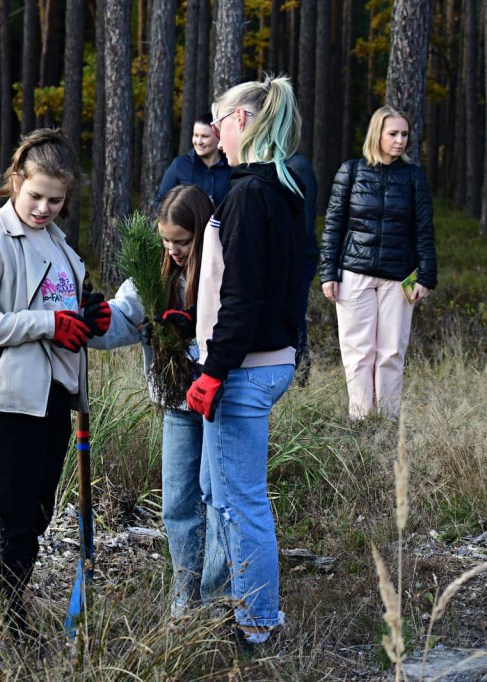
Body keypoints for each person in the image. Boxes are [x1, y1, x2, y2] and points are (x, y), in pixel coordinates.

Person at [0, 128, 110, 634]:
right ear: (15, 180)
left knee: (35, 516)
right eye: (35, 195)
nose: (43, 208)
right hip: (2, 399)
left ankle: (7, 609)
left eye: (56, 200)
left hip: (53, 396)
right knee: (7, 516)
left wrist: (90, 316)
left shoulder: (59, 243)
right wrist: (48, 324)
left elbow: (61, 308)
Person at [186, 74, 305, 644]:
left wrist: (214, 370)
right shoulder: (279, 188)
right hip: (261, 359)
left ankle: (257, 623)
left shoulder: (250, 195)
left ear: (241, 122)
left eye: (218, 121)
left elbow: (242, 296)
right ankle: (226, 600)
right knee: (218, 492)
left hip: (245, 368)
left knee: (241, 502)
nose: (213, 134)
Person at [87, 184, 228, 617]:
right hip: (178, 406)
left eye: (182, 242)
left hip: (221, 403)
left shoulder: (221, 270)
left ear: (202, 234)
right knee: (177, 503)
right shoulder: (153, 275)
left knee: (217, 500)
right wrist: (91, 319)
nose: (173, 249)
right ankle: (185, 600)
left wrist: (195, 339)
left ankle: (220, 598)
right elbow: (122, 317)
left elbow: (234, 328)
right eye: (167, 241)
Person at [319, 106, 436, 420]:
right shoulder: (351, 171)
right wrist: (328, 272)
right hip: (353, 275)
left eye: (404, 134)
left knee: (391, 352)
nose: (400, 141)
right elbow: (334, 224)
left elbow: (424, 229)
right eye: (393, 134)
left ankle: (387, 421)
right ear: (377, 134)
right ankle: (360, 420)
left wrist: (426, 275)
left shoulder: (414, 177)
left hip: (400, 278)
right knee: (358, 352)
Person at [284, 153, 318, 385]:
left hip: (296, 258)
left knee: (294, 317)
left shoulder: (298, 167)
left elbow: (303, 225)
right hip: (280, 257)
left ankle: (299, 379)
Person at [154, 112, 233, 209]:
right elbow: (160, 204)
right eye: (196, 135)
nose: (198, 142)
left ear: (218, 136)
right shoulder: (180, 165)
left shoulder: (231, 167)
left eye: (204, 136)